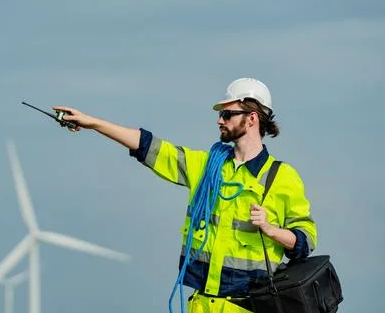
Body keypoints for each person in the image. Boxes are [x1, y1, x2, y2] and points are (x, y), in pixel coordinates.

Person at [53, 77, 317, 313]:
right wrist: (92, 122)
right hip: (201, 305)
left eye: (227, 114)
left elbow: (305, 242)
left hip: (248, 307)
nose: (219, 120)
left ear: (251, 118)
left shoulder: (282, 178)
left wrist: (271, 229)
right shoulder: (205, 166)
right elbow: (149, 146)